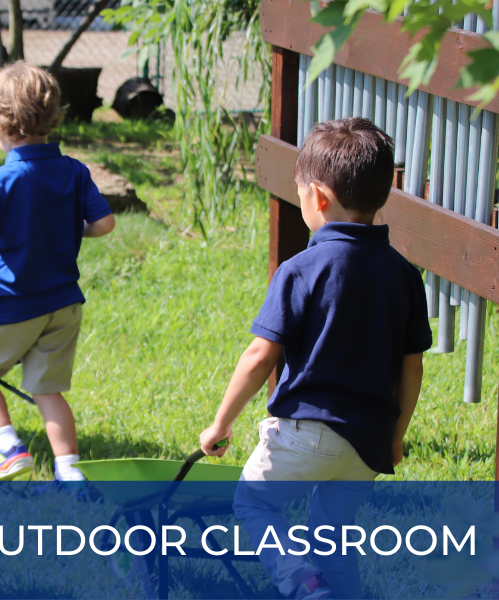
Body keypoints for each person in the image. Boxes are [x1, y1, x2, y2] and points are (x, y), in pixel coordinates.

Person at [199, 118, 431, 600]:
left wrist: (220, 423)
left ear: (318, 197)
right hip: (367, 441)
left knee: (255, 505)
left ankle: (300, 581)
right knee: (335, 533)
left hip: (307, 433)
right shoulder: (404, 274)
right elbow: (412, 366)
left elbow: (262, 353)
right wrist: (397, 436)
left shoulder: (300, 269)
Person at [0, 62, 116, 483]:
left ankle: (7, 447)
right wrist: (70, 229)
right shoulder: (73, 170)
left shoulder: (1, 179)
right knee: (46, 389)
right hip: (65, 304)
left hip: (14, 302)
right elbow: (104, 225)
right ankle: (70, 472)